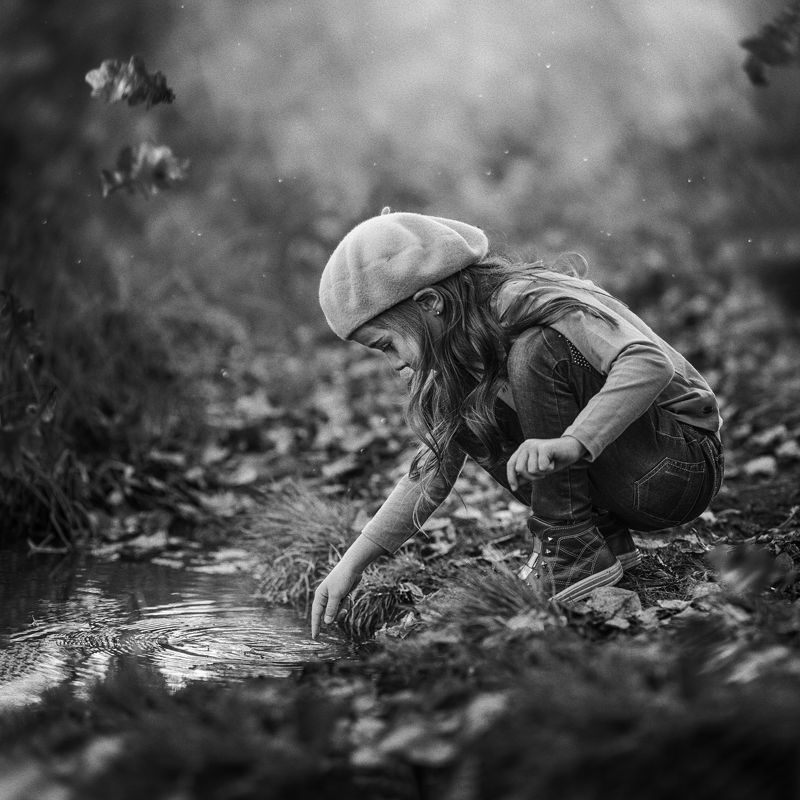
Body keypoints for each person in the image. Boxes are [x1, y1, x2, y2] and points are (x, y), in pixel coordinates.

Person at [311, 210, 723, 639]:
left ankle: (567, 545)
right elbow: (432, 470)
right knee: (459, 403)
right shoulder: (455, 350)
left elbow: (647, 363)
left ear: (431, 303)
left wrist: (575, 442)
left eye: (387, 345)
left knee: (536, 351)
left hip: (679, 468)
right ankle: (594, 545)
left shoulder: (523, 299)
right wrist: (350, 564)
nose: (395, 363)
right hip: (625, 484)